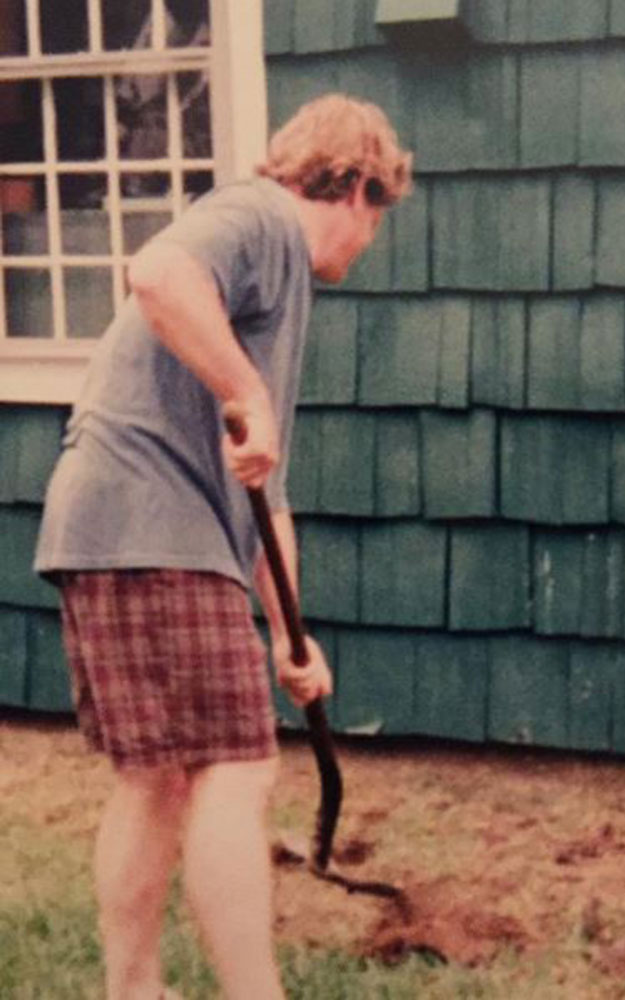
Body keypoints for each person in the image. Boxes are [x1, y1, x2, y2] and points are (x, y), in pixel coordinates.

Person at [34, 94, 412, 1000]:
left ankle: (133, 989)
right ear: (357, 187)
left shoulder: (275, 291)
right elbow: (158, 273)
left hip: (111, 526)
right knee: (234, 768)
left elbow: (262, 499)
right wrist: (246, 390)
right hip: (152, 525)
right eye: (375, 220)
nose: (365, 247)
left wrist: (292, 638)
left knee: (155, 777)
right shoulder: (260, 219)